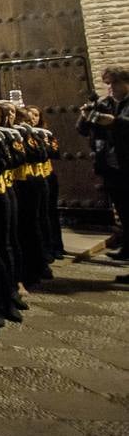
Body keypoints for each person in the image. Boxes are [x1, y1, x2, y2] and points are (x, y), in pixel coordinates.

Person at [79, 67, 129, 278]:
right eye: (107, 84)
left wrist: (115, 122)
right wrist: (85, 116)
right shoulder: (105, 104)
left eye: (114, 83)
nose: (110, 88)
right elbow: (83, 130)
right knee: (125, 213)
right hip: (111, 167)